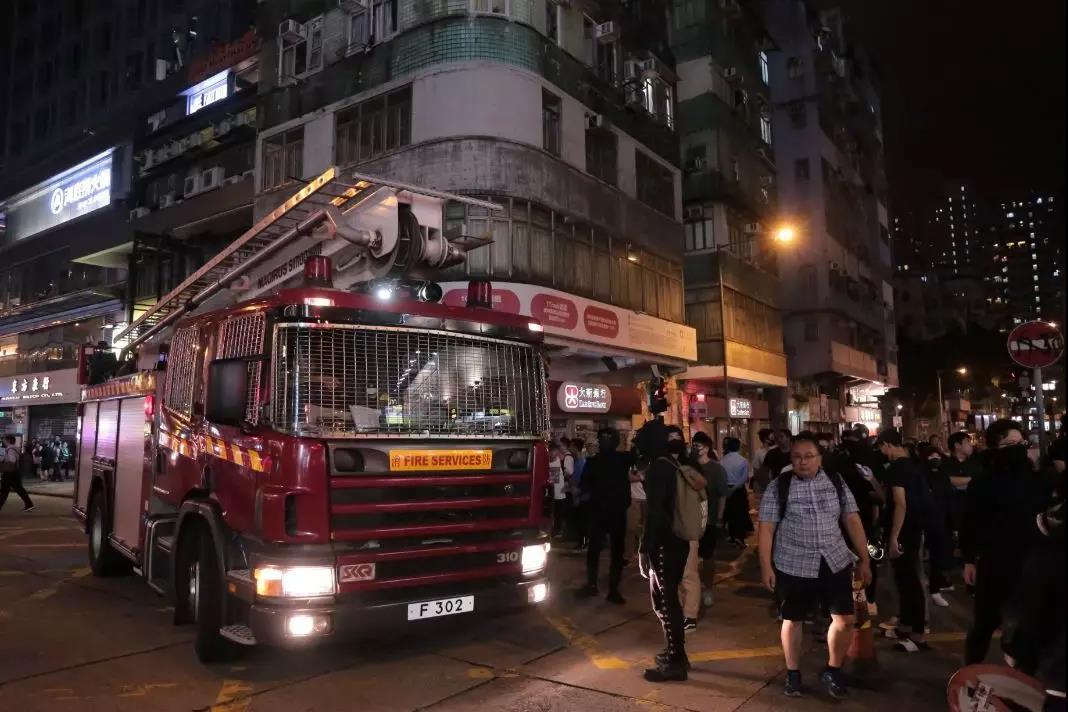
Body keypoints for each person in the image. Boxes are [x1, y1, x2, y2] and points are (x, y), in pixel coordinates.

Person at [758, 432, 872, 698]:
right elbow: (766, 529)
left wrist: (865, 558)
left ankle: (833, 669)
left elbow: (852, 519)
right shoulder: (779, 486)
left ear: (820, 458)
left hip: (834, 560)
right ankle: (793, 673)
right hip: (793, 563)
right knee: (792, 620)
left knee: (845, 620)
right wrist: (766, 567)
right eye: (797, 457)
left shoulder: (836, 481)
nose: (803, 461)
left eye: (809, 456)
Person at [961, 418, 1052, 666]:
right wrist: (969, 559)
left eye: (1021, 443)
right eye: (1010, 444)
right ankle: (970, 674)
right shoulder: (982, 482)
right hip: (994, 562)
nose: (1018, 449)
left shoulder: (1037, 479)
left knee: (1026, 623)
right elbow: (970, 522)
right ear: (995, 447)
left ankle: (1020, 675)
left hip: (1031, 562)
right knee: (984, 622)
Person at [636, 420, 691, 682]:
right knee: (667, 600)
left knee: (667, 602)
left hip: (665, 544)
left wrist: (645, 548)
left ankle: (676, 662)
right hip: (677, 541)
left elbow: (656, 514)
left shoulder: (658, 468)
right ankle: (676, 654)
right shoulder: (671, 463)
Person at [876, 429, 931, 652]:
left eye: (882, 447)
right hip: (915, 528)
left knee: (908, 582)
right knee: (906, 580)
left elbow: (900, 503)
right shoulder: (913, 465)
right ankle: (907, 628)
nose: (882, 452)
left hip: (904, 531)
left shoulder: (897, 468)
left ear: (887, 445)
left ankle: (917, 635)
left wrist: (894, 537)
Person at [577, 427, 634, 605]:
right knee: (614, 552)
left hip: (601, 512)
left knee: (598, 550)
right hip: (612, 512)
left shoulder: (594, 462)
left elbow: (583, 486)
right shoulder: (623, 459)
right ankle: (610, 589)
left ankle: (595, 585)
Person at [689, 431, 728, 615]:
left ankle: (708, 589)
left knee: (708, 557)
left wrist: (719, 517)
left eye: (699, 446)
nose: (695, 449)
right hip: (689, 519)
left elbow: (722, 495)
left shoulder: (716, 469)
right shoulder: (687, 466)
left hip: (709, 519)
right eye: (694, 445)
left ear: (707, 448)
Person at [917, 443, 954, 606]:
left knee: (937, 557)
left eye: (938, 456)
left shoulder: (943, 475)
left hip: (939, 521)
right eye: (931, 456)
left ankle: (935, 589)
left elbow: (948, 499)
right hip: (922, 521)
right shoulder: (920, 475)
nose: (935, 459)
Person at [943, 431, 980, 541]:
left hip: (973, 510)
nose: (971, 445)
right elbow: (949, 480)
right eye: (967, 442)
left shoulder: (976, 463)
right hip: (952, 512)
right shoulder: (946, 463)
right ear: (957, 445)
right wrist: (972, 480)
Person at [721, 437, 751, 547]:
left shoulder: (722, 460)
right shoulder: (743, 460)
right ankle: (739, 537)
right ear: (738, 447)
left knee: (729, 512)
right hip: (738, 489)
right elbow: (744, 478)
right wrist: (735, 487)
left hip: (726, 488)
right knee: (740, 513)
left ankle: (731, 536)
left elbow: (721, 476)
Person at [0, 435, 34, 512]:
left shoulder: (10, 449)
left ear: (8, 441)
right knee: (19, 489)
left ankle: (29, 504)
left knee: (4, 492)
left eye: (4, 440)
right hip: (15, 472)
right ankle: (29, 504)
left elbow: (12, 460)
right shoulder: (16, 449)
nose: (3, 441)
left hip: (9, 473)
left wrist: (4, 461)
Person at [625, 459, 648, 564]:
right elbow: (628, 477)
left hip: (647, 499)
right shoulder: (631, 462)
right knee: (631, 528)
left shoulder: (650, 462)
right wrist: (641, 477)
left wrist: (640, 477)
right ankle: (629, 555)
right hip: (634, 499)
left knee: (644, 529)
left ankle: (642, 554)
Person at [548, 442, 568, 538]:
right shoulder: (547, 462)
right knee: (553, 513)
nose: (554, 453)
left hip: (560, 493)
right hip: (552, 493)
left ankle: (558, 531)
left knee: (559, 514)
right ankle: (554, 530)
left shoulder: (559, 460)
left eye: (555, 451)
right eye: (552, 451)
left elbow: (555, 479)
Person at [751, 428, 774, 498]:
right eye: (771, 436)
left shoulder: (776, 449)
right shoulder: (758, 453)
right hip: (765, 485)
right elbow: (756, 471)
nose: (774, 438)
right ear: (766, 439)